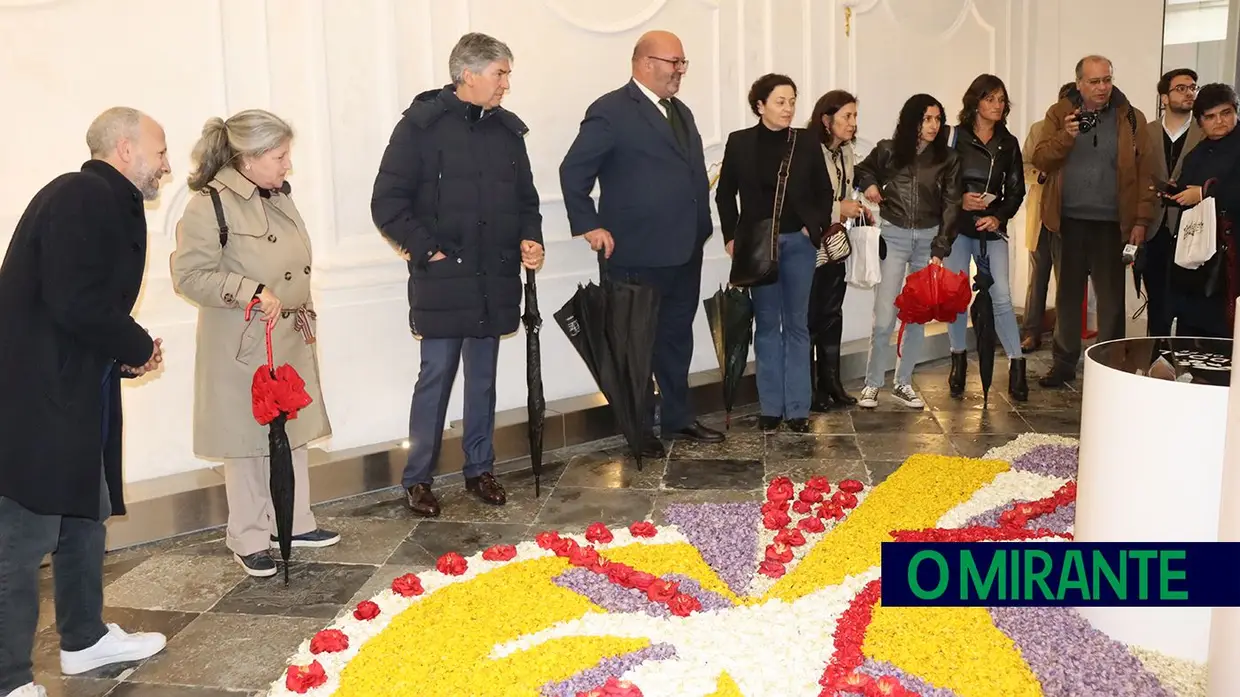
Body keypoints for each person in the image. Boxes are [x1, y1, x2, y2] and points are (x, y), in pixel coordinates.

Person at [0, 107, 170, 697]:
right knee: (21, 540)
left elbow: (80, 304)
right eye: (160, 150)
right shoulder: (82, 194)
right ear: (125, 149)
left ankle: (84, 639)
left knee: (83, 519)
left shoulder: (100, 198)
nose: (166, 164)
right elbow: (74, 299)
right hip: (39, 401)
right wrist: (136, 343)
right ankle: (9, 679)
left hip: (72, 389)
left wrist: (119, 354)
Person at [371, 33, 545, 518]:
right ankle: (418, 478)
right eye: (500, 73)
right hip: (444, 279)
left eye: (507, 74)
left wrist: (531, 238)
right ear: (468, 75)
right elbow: (387, 203)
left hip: (495, 275)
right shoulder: (420, 128)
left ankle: (479, 468)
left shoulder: (508, 132)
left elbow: (526, 202)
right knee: (437, 377)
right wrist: (430, 250)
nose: (506, 83)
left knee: (483, 379)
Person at [171, 109, 339, 577]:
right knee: (248, 440)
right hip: (243, 341)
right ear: (250, 156)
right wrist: (250, 291)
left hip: (288, 333)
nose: (288, 166)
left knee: (292, 432)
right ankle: (248, 535)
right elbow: (190, 276)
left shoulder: (279, 196)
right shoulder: (209, 204)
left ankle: (294, 519)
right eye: (281, 156)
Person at [559, 30, 723, 450]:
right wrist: (589, 224)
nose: (680, 72)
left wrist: (702, 226)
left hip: (684, 250)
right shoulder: (611, 110)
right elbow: (573, 172)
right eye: (675, 63)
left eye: (683, 63)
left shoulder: (681, 112)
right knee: (637, 345)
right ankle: (640, 429)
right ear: (645, 63)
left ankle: (676, 418)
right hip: (636, 251)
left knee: (676, 338)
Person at [715, 74, 835, 433]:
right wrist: (731, 236)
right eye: (780, 101)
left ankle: (798, 408)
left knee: (797, 324)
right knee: (767, 325)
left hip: (797, 245)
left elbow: (824, 192)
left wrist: (809, 229)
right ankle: (770, 407)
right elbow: (725, 195)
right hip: (756, 246)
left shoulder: (806, 142)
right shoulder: (739, 143)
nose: (788, 108)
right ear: (760, 106)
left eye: (792, 101)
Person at [1032, 55, 1155, 387]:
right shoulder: (1059, 114)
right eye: (1095, 81)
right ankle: (1063, 364)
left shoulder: (1131, 118)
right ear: (1079, 84)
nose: (1103, 87)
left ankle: (1110, 366)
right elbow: (1040, 157)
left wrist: (1141, 220)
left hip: (1113, 224)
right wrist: (1066, 136)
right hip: (1069, 221)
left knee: (1112, 300)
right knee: (1068, 297)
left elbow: (1147, 174)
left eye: (1107, 80)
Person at [854, 94, 963, 410]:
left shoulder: (948, 158)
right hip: (894, 235)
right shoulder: (889, 150)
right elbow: (863, 170)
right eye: (927, 118)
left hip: (927, 239)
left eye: (938, 119)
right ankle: (872, 384)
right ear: (912, 120)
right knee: (885, 315)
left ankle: (903, 382)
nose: (933, 125)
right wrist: (870, 184)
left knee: (917, 314)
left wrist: (940, 247)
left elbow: (952, 204)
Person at [943, 74, 1028, 402]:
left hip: (992, 229)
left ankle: (1016, 365)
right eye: (990, 98)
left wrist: (998, 216)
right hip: (958, 227)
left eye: (1001, 99)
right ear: (975, 101)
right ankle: (958, 361)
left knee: (1003, 297)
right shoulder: (954, 137)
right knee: (956, 297)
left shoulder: (1008, 142)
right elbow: (940, 181)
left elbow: (1017, 190)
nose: (997, 105)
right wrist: (961, 199)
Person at [1160, 83, 1240, 337]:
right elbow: (1190, 188)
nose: (1220, 121)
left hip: (1232, 255)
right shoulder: (1197, 153)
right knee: (1193, 329)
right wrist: (1175, 193)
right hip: (1198, 254)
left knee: (1227, 332)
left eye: (1226, 113)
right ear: (1200, 122)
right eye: (1211, 116)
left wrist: (1205, 192)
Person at [806, 90, 864, 411]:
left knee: (832, 314)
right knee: (808, 316)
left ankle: (832, 382)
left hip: (835, 245)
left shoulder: (845, 153)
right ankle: (810, 387)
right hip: (810, 245)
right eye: (847, 117)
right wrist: (837, 208)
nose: (853, 123)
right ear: (826, 120)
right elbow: (802, 198)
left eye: (855, 116)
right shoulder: (808, 151)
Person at [1144, 68, 1204, 337]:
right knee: (1157, 300)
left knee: (1190, 301)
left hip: (1192, 228)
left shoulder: (1204, 132)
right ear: (1164, 97)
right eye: (1181, 88)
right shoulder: (1145, 132)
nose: (1189, 92)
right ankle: (1155, 358)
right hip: (1154, 227)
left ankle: (1187, 361)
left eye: (1193, 87)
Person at [1020, 82, 1076, 353]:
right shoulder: (1038, 129)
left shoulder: (1086, 131)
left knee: (1067, 280)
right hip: (1042, 215)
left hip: (1072, 217)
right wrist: (1041, 175)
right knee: (1038, 275)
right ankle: (1031, 331)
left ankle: (1063, 339)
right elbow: (1024, 166)